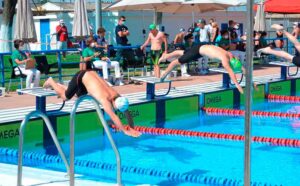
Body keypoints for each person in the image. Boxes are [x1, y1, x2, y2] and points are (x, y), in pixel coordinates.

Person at [43, 70, 141, 137]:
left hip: (90, 75)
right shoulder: (105, 100)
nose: (116, 110)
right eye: (117, 109)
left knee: (79, 96)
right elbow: (114, 117)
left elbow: (127, 112)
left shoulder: (118, 97)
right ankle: (51, 81)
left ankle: (60, 86)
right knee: (65, 97)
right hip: (81, 76)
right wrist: (124, 131)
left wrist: (132, 129)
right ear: (114, 104)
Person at [159, 44, 244, 94]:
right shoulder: (225, 60)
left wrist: (251, 81)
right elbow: (230, 72)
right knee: (176, 62)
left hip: (200, 49)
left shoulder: (230, 55)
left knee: (183, 53)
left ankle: (166, 56)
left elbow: (241, 67)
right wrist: (237, 84)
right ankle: (164, 74)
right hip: (198, 51)